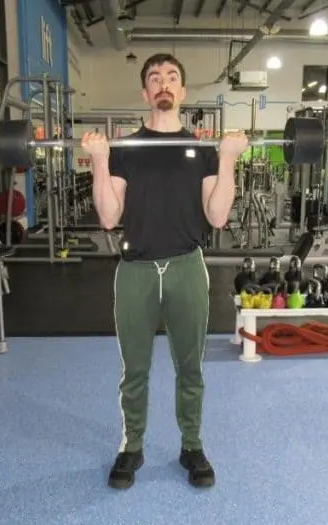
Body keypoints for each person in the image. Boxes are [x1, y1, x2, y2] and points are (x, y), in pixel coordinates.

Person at [81, 53, 248, 490]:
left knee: (190, 367)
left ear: (183, 90)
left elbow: (216, 216)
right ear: (145, 92)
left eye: (172, 77)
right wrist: (100, 160)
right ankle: (131, 447)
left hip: (186, 268)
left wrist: (228, 158)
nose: (164, 84)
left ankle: (191, 445)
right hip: (135, 270)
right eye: (155, 78)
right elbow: (108, 216)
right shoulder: (127, 150)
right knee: (134, 370)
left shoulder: (202, 152)